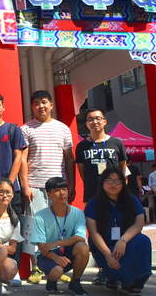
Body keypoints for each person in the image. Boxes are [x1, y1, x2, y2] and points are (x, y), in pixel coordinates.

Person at [19, 90, 75, 284]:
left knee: (58, 228)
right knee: (35, 227)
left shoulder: (63, 129)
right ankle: (36, 268)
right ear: (32, 107)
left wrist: (71, 185)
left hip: (59, 187)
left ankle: (56, 267)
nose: (41, 106)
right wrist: (25, 186)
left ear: (51, 105)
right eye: (36, 103)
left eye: (44, 102)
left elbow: (69, 159)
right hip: (35, 186)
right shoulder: (25, 129)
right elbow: (23, 160)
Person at [75, 107, 128, 287]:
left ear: (104, 121)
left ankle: (120, 267)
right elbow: (83, 172)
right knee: (97, 232)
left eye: (98, 118)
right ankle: (103, 269)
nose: (94, 122)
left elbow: (122, 168)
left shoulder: (117, 143)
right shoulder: (82, 146)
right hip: (92, 195)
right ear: (86, 123)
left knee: (116, 229)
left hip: (115, 196)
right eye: (90, 119)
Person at [85, 167, 152, 295]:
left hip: (126, 244)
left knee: (143, 240)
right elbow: (93, 232)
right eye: (109, 180)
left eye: (117, 181)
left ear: (123, 183)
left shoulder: (132, 200)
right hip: (105, 246)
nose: (113, 184)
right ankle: (111, 277)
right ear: (102, 182)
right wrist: (107, 254)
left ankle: (135, 282)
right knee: (114, 270)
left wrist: (123, 240)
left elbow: (139, 224)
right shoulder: (93, 203)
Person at [30, 177, 89, 295]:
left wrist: (57, 243)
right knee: (56, 272)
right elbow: (41, 245)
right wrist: (56, 258)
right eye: (57, 190)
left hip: (67, 252)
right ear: (49, 195)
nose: (62, 193)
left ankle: (75, 283)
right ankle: (51, 280)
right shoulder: (40, 216)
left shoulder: (78, 213)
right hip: (47, 254)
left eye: (64, 189)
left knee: (83, 247)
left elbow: (80, 237)